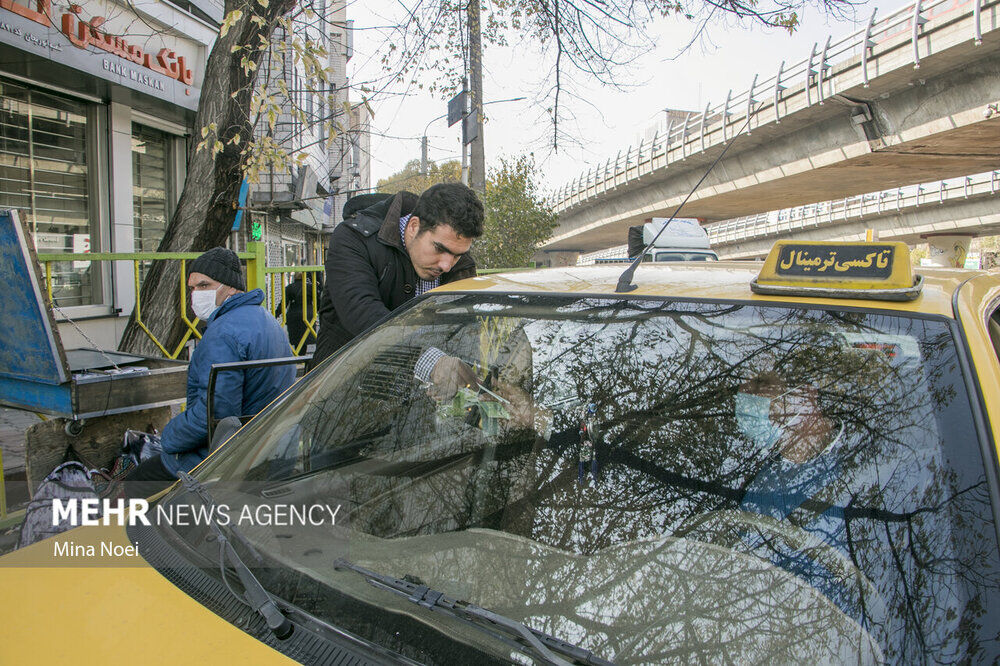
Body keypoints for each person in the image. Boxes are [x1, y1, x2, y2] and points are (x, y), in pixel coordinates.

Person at [125, 247, 296, 496]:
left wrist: (169, 437)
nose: (196, 295)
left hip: (232, 458)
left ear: (230, 287)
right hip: (271, 446)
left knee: (136, 483)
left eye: (204, 286)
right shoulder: (264, 318)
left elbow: (215, 416)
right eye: (192, 288)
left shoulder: (223, 333)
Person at [310, 183, 485, 398]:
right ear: (413, 226)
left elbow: (466, 330)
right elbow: (363, 314)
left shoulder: (459, 263)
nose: (447, 265)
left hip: (413, 407)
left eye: (457, 255)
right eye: (439, 249)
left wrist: (472, 376)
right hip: (342, 396)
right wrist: (432, 362)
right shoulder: (354, 238)